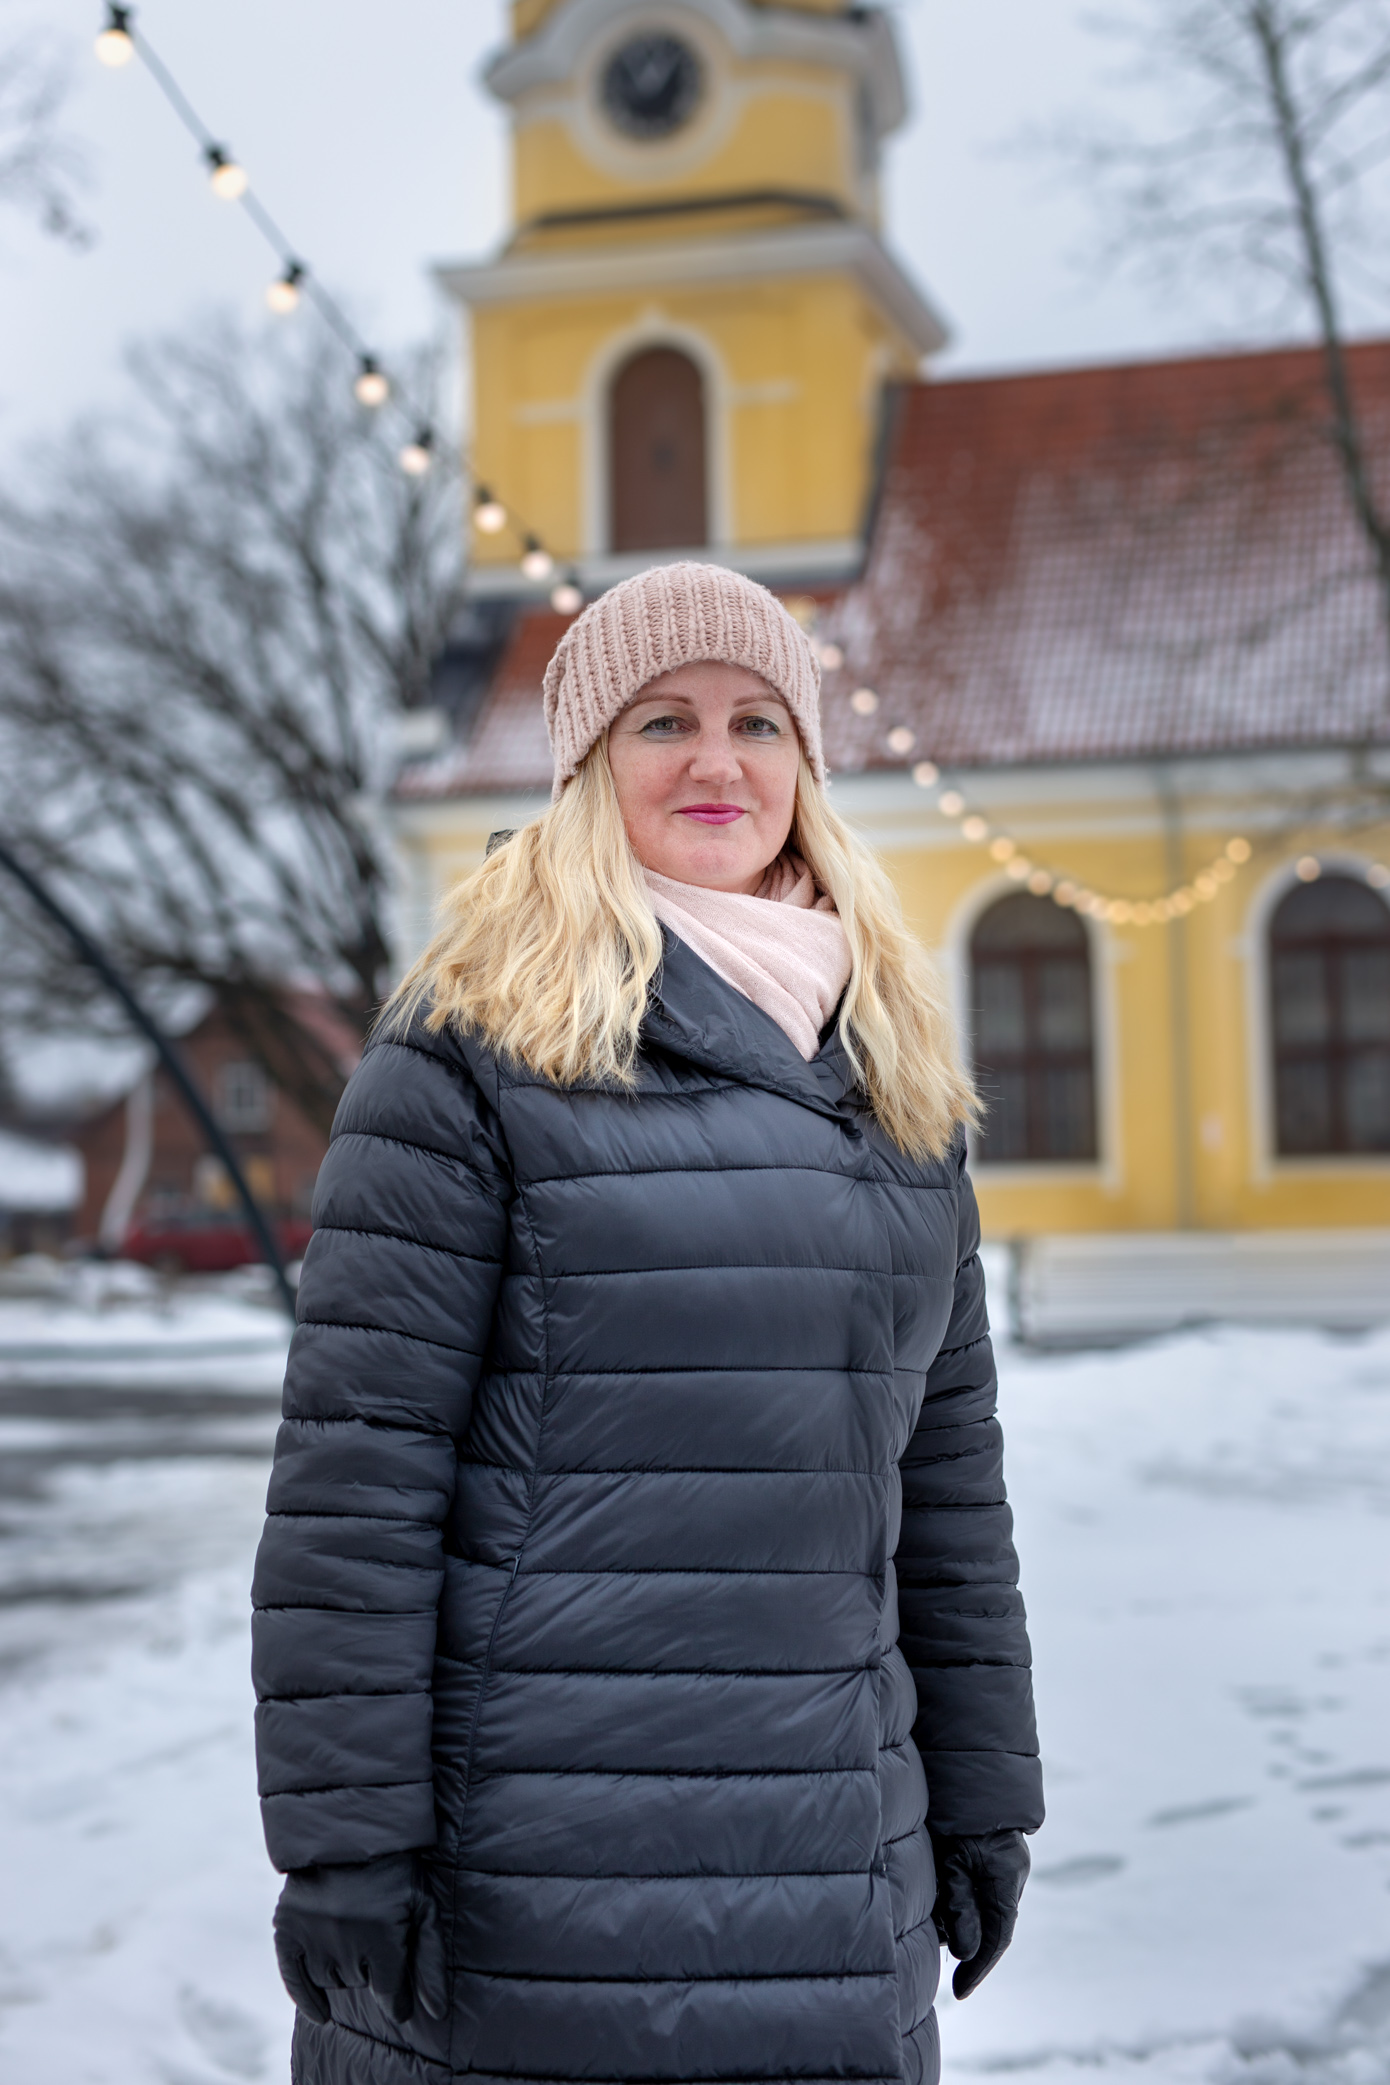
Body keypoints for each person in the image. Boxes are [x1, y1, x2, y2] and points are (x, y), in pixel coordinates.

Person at [252, 561, 1043, 2085]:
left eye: (757, 721)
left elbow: (947, 1489)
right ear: (581, 768)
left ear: (804, 770)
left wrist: (985, 1796)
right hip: (527, 1887)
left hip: (831, 1868)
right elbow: (357, 1488)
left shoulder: (896, 1079)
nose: (715, 758)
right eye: (659, 719)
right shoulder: (467, 1059)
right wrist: (346, 1837)